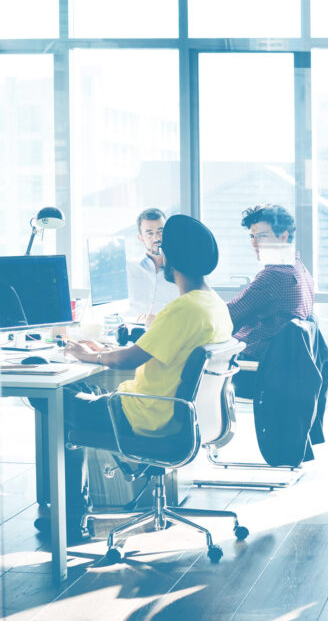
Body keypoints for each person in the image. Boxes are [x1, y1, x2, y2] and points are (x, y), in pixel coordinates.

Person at [36, 215, 232, 541]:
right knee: (76, 390)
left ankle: (69, 518)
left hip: (140, 417)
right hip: (173, 415)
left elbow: (130, 357)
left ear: (172, 259)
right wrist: (101, 350)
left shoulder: (184, 308)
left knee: (50, 398)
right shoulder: (213, 304)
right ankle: (72, 510)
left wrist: (90, 355)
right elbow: (148, 348)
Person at [226, 205, 314, 400]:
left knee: (186, 365)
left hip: (255, 371)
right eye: (252, 237)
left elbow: (227, 317)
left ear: (283, 237)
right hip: (282, 370)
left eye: (263, 236)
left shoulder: (274, 275)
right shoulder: (300, 270)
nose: (255, 244)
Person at [126, 208, 179, 325]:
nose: (157, 238)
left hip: (169, 331)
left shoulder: (182, 271)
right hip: (134, 330)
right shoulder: (129, 269)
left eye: (161, 231)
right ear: (140, 238)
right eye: (150, 233)